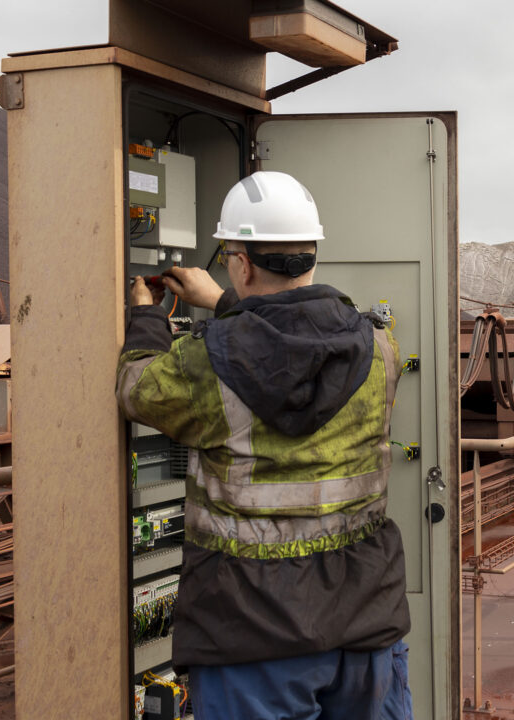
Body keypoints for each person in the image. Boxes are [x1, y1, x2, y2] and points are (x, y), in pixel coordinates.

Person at [117, 171, 412, 719]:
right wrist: (229, 301)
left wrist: (144, 317)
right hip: (365, 620)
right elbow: (295, 343)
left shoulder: (204, 365)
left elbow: (137, 390)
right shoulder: (380, 348)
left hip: (250, 633)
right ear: (312, 255)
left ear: (243, 262)